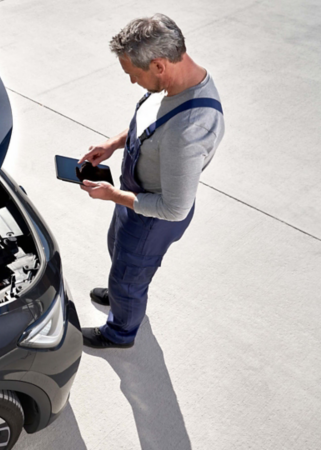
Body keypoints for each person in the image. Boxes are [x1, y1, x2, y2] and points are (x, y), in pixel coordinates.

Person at [79, 14, 225, 349]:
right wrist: (114, 143)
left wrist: (114, 194)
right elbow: (148, 123)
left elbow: (174, 209)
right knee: (118, 253)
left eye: (134, 75)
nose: (132, 82)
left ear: (158, 65)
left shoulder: (188, 129)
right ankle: (123, 294)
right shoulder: (174, 81)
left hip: (153, 217)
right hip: (134, 197)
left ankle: (120, 331)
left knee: (129, 278)